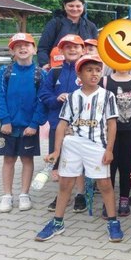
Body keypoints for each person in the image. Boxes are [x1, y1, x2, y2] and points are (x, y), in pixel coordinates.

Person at [35, 54, 123, 243]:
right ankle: (58, 222)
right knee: (66, 184)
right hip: (72, 145)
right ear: (80, 75)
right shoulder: (72, 97)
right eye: (89, 70)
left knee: (105, 184)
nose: (94, 74)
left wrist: (109, 150)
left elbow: (112, 124)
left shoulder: (108, 96)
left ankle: (113, 222)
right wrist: (56, 151)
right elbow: (61, 124)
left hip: (97, 145)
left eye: (98, 70)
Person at [0, 33, 47, 213]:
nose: (22, 49)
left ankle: (24, 194)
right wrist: (5, 120)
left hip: (29, 127)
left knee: (27, 159)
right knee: (8, 159)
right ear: (12, 50)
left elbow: (42, 101)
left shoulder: (41, 73)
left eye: (26, 45)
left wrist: (34, 124)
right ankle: (7, 196)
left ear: (34, 49)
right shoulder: (5, 71)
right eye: (18, 46)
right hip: (8, 126)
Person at [38, 34, 87, 213]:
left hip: (81, 125)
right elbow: (43, 94)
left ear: (83, 50)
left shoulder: (87, 70)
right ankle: (63, 194)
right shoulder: (55, 72)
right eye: (68, 47)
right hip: (58, 123)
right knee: (62, 161)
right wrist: (55, 98)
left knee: (79, 161)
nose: (72, 50)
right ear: (61, 50)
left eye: (76, 47)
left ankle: (81, 194)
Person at [101, 65, 131, 217]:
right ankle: (107, 202)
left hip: (130, 132)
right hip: (109, 133)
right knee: (110, 167)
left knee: (127, 167)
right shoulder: (105, 81)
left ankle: (124, 199)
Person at [37, 0, 98, 70]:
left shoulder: (91, 26)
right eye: (71, 6)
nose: (75, 9)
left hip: (84, 70)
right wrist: (44, 64)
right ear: (64, 6)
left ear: (83, 6)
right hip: (58, 69)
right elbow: (42, 48)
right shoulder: (55, 24)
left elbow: (95, 50)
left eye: (78, 6)